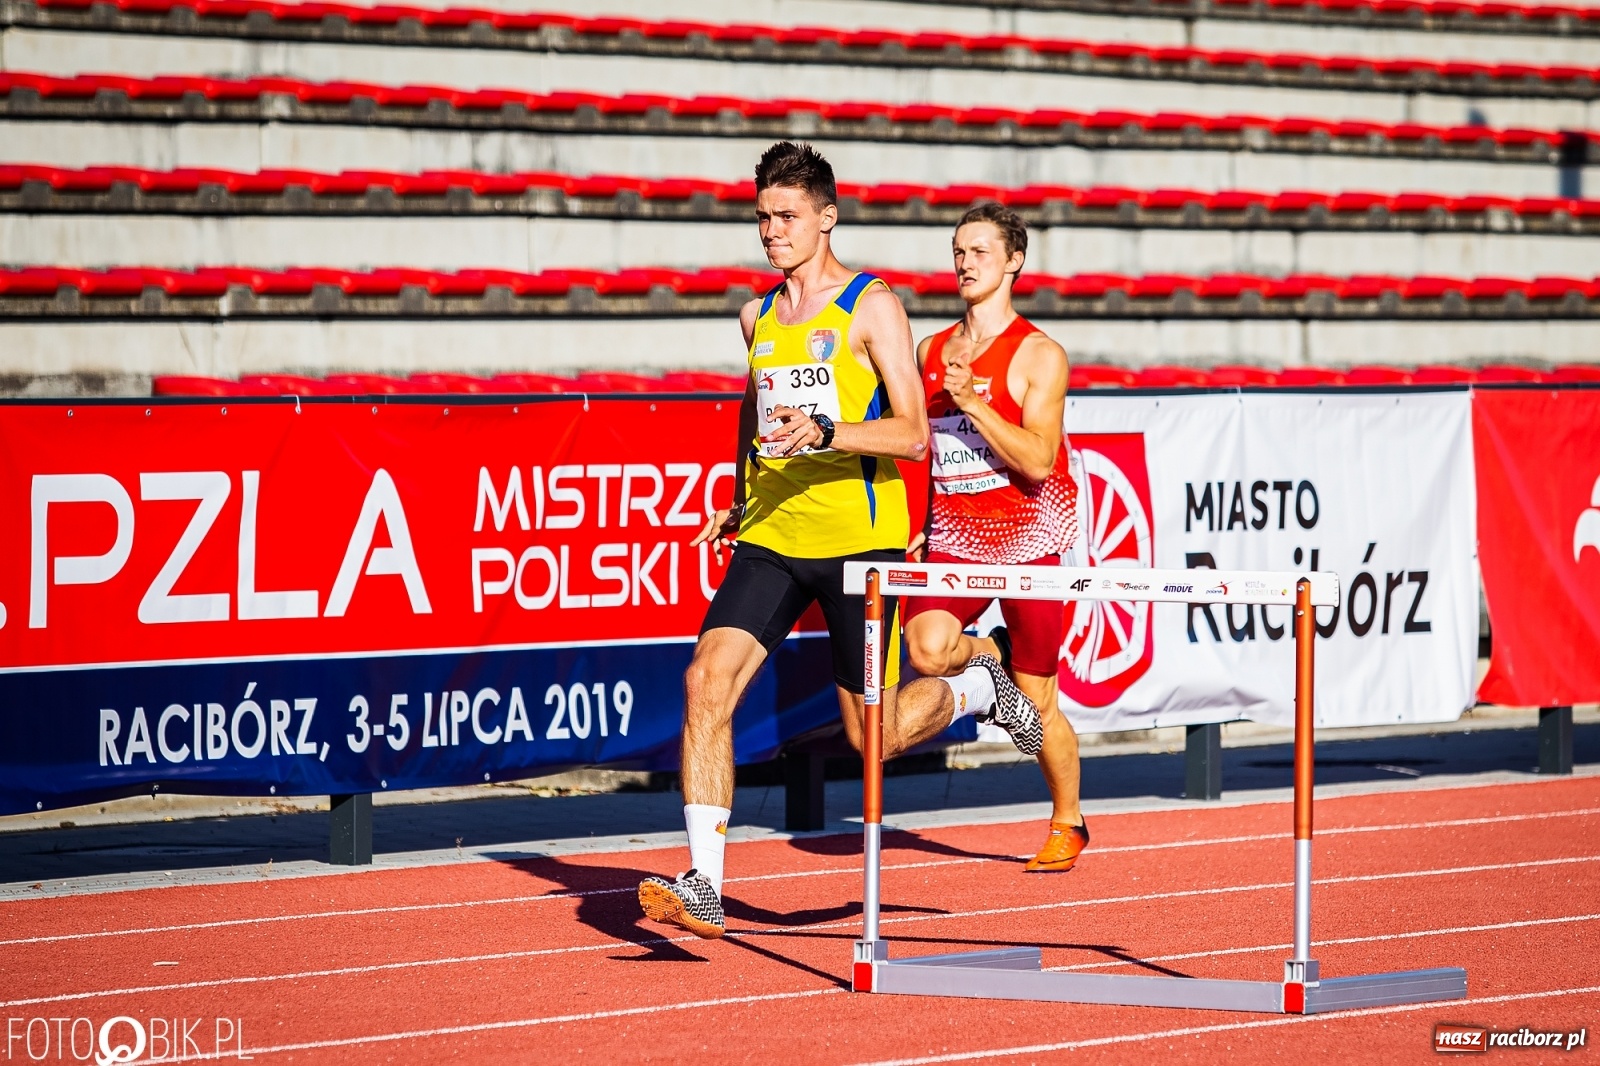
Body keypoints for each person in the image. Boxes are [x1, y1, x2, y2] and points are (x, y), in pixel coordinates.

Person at [638, 144, 1046, 939]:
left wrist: (828, 430)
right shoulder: (755, 316)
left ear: (827, 218)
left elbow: (914, 433)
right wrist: (736, 495)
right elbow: (752, 414)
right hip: (774, 535)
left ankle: (980, 685)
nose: (770, 231)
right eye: (761, 217)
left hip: (859, 545)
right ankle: (705, 884)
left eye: (785, 216)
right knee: (704, 682)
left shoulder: (872, 306)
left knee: (872, 738)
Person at [903, 201, 1089, 874]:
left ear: (1014, 260)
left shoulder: (1040, 353)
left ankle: (1067, 818)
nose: (964, 262)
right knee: (925, 651)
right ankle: (991, 656)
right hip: (954, 533)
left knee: (1039, 697)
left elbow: (1039, 460)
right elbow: (924, 449)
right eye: (957, 250)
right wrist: (917, 526)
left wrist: (976, 402)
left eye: (979, 251)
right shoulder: (931, 351)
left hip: (1028, 538)